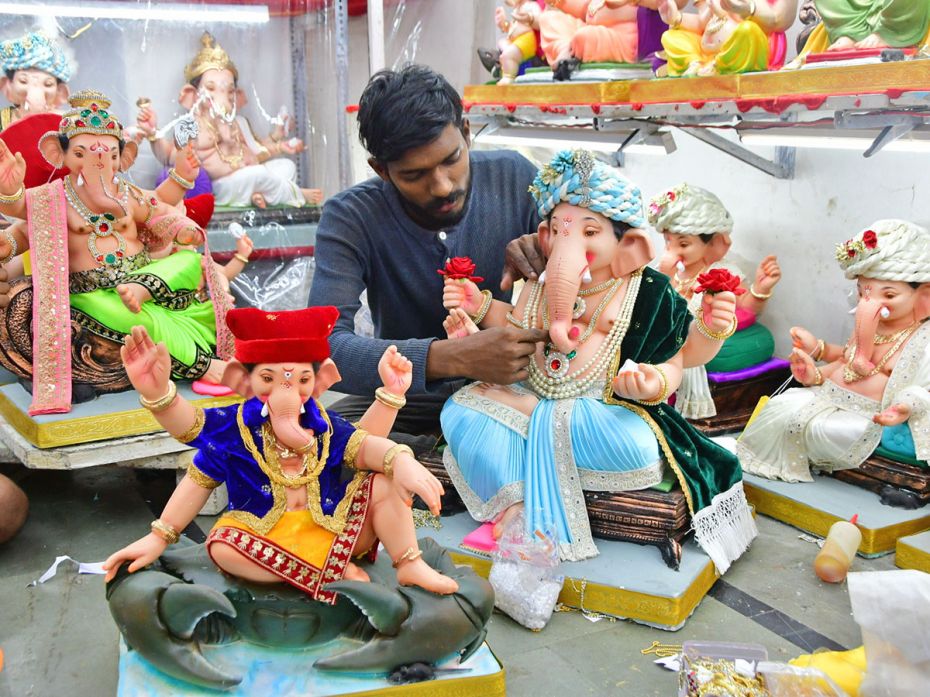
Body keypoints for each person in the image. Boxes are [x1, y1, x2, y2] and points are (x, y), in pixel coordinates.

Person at [308, 65, 546, 445]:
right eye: (414, 175)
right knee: (310, 444)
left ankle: (433, 461)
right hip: (404, 400)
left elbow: (603, 269)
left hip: (505, 395)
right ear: (381, 171)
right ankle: (438, 459)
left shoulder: (515, 177)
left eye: (452, 158)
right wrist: (449, 357)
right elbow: (324, 347)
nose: (442, 186)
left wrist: (554, 250)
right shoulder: (351, 217)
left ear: (467, 132)